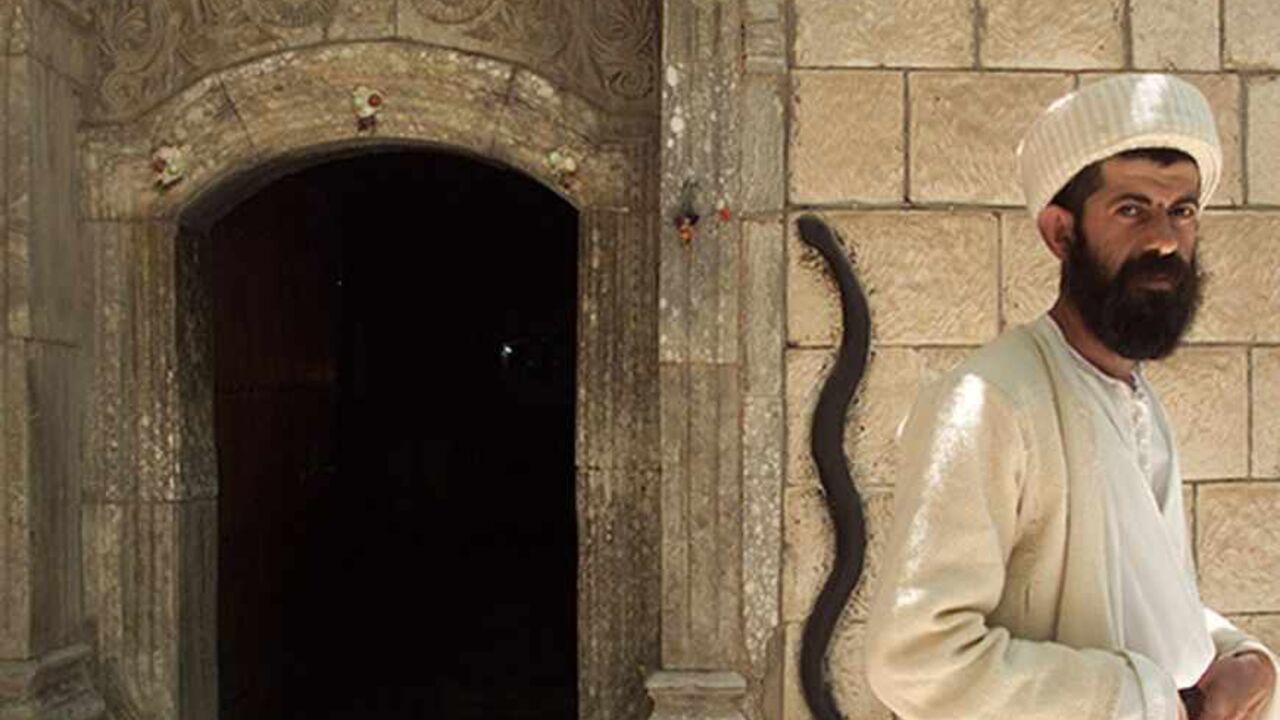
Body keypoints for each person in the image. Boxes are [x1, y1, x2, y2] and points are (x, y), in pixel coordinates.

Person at [864, 74, 1279, 720]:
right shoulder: (990, 402)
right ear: (1061, 233)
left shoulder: (1139, 405)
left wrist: (1246, 661)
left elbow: (1141, 610)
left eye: (1183, 210)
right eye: (1131, 210)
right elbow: (915, 657)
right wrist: (1143, 701)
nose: (1166, 239)